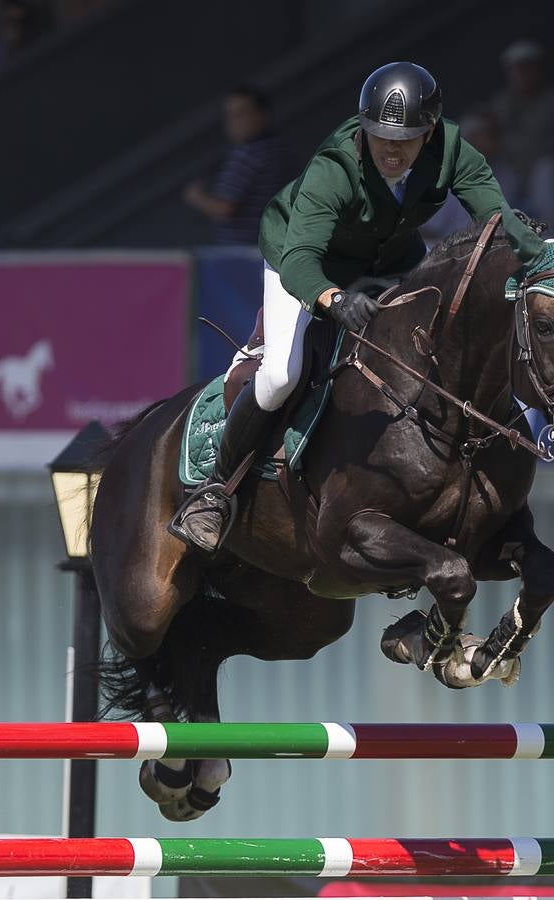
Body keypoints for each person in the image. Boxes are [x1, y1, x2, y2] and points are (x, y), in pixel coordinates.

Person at [169, 62, 512, 554]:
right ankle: (216, 493)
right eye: (379, 138)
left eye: (406, 139)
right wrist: (333, 298)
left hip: (387, 257)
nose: (391, 150)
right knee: (283, 374)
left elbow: (495, 220)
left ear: (430, 132)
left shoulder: (452, 149)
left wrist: (525, 245)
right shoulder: (334, 166)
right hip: (302, 259)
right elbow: (302, 260)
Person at [183, 87, 299, 245]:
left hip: (243, 255)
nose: (233, 122)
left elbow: (224, 209)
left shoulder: (248, 154)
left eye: (241, 113)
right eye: (229, 115)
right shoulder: (281, 149)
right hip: (275, 247)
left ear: (262, 115)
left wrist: (196, 197)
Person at [488, 40, 554, 226]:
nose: (521, 75)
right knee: (493, 179)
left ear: (538, 70)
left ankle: (553, 238)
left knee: (546, 173)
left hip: (542, 164)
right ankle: (494, 239)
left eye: (527, 68)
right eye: (516, 69)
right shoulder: (501, 102)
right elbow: (491, 138)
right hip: (511, 166)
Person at [420, 110, 519, 246]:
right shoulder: (443, 173)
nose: (491, 141)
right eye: (484, 134)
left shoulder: (506, 175)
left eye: (494, 135)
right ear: (469, 137)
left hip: (490, 249)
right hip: (444, 252)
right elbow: (429, 230)